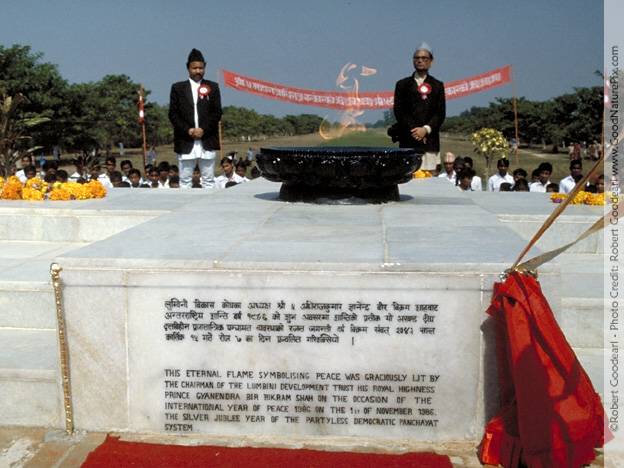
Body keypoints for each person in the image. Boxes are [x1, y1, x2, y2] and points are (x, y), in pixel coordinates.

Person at [169, 48, 222, 189]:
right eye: (195, 68)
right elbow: (173, 114)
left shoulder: (213, 87)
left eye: (201, 68)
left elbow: (217, 113)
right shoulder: (177, 88)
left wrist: (203, 130)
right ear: (188, 68)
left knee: (209, 180)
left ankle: (208, 209)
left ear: (205, 67)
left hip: (207, 139)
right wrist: (189, 130)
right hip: (186, 140)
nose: (198, 71)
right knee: (185, 181)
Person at [391, 42, 445, 173]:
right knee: (408, 177)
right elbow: (399, 111)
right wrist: (415, 130)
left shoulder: (438, 85)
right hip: (408, 140)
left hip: (429, 142)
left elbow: (440, 113)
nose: (420, 61)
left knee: (429, 179)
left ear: (431, 62)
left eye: (424, 58)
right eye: (417, 58)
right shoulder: (402, 84)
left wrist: (425, 130)